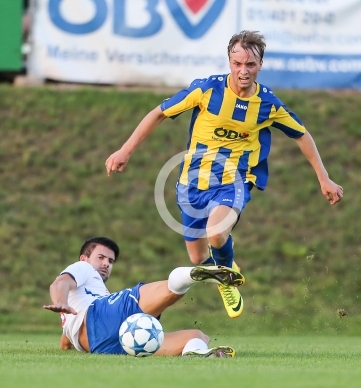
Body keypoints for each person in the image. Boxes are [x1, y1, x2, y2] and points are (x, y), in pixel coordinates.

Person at [105, 30, 344, 320]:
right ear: (229, 62)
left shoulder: (268, 104)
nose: (243, 71)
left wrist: (323, 177)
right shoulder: (207, 90)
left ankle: (227, 278)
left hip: (235, 181)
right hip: (192, 183)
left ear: (260, 65)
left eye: (251, 65)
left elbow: (302, 134)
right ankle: (224, 273)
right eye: (237, 63)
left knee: (216, 232)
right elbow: (158, 113)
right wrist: (125, 150)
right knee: (197, 259)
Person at [43, 237, 244, 357]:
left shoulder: (84, 298)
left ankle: (196, 353)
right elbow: (60, 283)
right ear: (84, 258)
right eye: (101, 257)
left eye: (111, 261)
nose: (106, 264)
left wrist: (66, 341)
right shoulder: (83, 268)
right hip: (100, 316)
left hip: (104, 345)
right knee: (161, 291)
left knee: (198, 336)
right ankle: (192, 275)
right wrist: (59, 301)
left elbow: (67, 340)